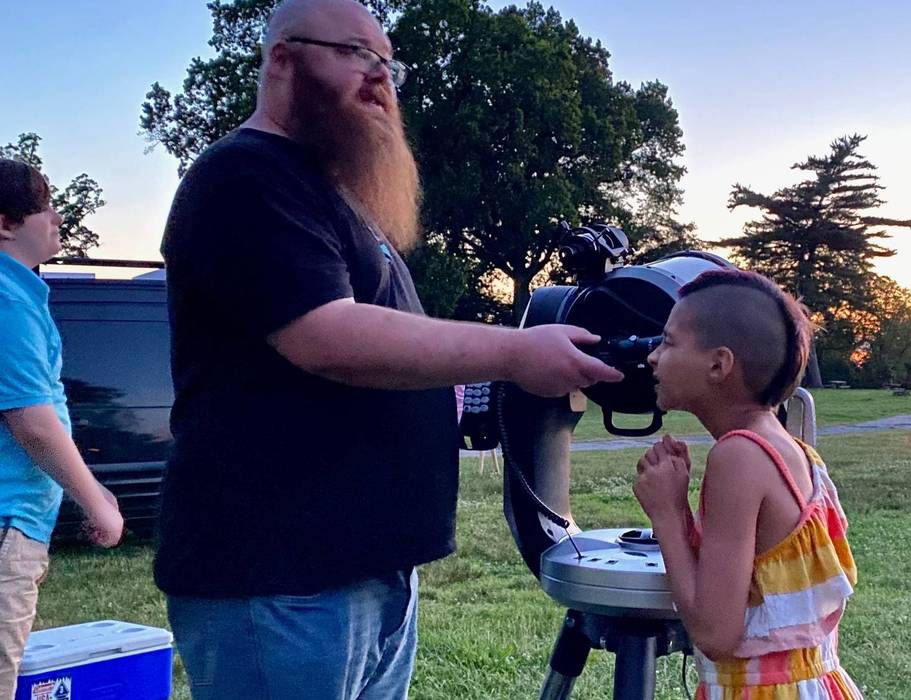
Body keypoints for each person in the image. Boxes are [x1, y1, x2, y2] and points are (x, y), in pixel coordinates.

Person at [154, 0, 622, 697]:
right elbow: (325, 335)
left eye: (388, 64)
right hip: (279, 578)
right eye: (356, 55)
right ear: (281, 59)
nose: (380, 79)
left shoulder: (328, 193)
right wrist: (516, 352)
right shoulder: (244, 177)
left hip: (362, 570)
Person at [634, 269, 862, 699]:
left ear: (718, 365)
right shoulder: (789, 449)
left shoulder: (737, 456)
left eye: (668, 342)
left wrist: (667, 514)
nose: (653, 358)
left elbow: (715, 634)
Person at [0, 158, 124, 695]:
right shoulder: (6, 301)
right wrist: (98, 506)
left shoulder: (17, 294)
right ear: (5, 224)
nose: (57, 218)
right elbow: (33, 422)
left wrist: (92, 490)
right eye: (44, 207)